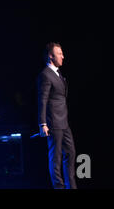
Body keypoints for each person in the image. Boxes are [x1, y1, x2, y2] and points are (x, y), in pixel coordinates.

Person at [37, 42, 77, 189]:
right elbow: (42, 100)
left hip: (64, 121)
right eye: (59, 54)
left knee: (70, 153)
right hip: (53, 122)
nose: (63, 56)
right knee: (56, 158)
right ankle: (59, 187)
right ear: (50, 56)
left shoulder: (58, 74)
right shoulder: (45, 75)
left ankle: (71, 185)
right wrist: (42, 123)